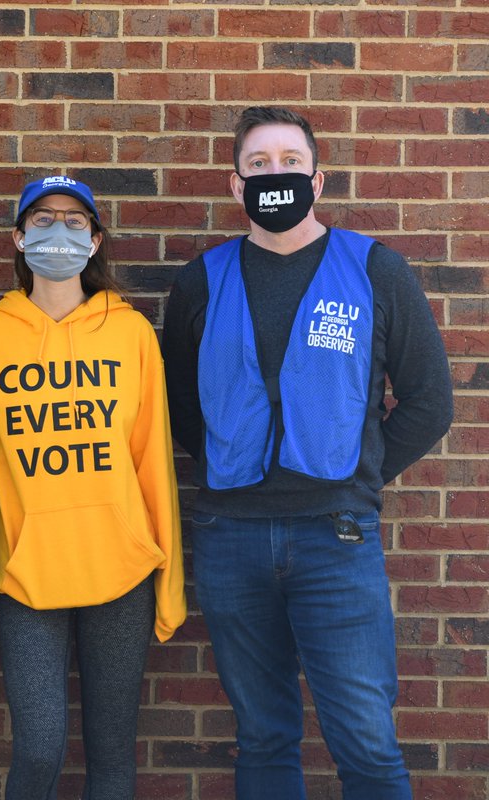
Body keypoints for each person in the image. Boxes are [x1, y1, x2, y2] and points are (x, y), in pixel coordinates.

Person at [162, 106, 453, 800]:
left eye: (289, 162)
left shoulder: (376, 271)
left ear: (318, 179)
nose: (275, 176)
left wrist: (359, 471)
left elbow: (429, 403)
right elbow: (177, 407)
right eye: (258, 164)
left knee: (367, 743)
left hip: (336, 538)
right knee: (263, 737)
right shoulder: (201, 282)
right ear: (235, 186)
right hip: (230, 539)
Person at [0, 175, 185, 799]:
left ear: (96, 239)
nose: (59, 231)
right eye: (43, 219)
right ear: (18, 236)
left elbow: (153, 464)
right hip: (26, 578)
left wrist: (169, 586)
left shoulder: (131, 333)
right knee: (38, 750)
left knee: (113, 756)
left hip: (122, 572)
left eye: (76, 221)